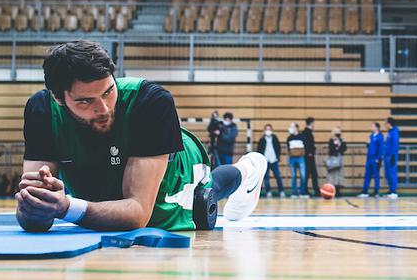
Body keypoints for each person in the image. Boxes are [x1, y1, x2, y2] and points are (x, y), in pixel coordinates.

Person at [15, 40, 265, 233]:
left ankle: (248, 170)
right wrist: (37, 205)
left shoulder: (151, 101)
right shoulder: (43, 110)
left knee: (203, 198)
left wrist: (66, 207)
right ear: (58, 99)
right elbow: (32, 219)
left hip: (174, 168)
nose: (103, 109)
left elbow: (137, 212)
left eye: (108, 92)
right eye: (85, 101)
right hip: (104, 177)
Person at [256, 123, 285, 197]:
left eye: (269, 129)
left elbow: (278, 147)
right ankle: (268, 191)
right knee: (266, 178)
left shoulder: (275, 138)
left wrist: (278, 157)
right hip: (266, 161)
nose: (268, 131)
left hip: (274, 160)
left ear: (271, 130)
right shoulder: (262, 139)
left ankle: (281, 191)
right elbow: (259, 150)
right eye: (267, 129)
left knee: (278, 176)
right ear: (265, 130)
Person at [359, 122, 384, 198]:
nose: (372, 128)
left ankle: (376, 191)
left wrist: (378, 158)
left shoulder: (380, 136)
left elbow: (380, 148)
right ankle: (365, 191)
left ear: (377, 128)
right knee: (367, 175)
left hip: (375, 159)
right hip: (369, 159)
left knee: (376, 176)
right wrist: (367, 143)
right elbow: (369, 146)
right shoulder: (371, 136)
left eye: (373, 126)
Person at [286, 122, 307, 197]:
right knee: (293, 176)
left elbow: (305, 147)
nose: (290, 128)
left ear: (296, 128)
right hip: (292, 158)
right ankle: (294, 192)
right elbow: (288, 148)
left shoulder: (302, 136)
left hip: (301, 158)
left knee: (303, 175)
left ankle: (302, 192)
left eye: (292, 127)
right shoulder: (289, 138)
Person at [302, 117, 321, 197]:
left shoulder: (307, 132)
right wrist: (310, 152)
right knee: (310, 174)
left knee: (312, 174)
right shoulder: (307, 132)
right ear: (311, 123)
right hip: (309, 157)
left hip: (309, 156)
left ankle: (315, 191)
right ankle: (307, 191)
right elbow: (307, 144)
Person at [326, 127, 348, 196]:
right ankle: (331, 190)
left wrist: (339, 144)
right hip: (333, 158)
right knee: (332, 175)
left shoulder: (341, 140)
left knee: (339, 175)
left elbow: (344, 148)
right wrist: (335, 146)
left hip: (339, 158)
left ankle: (338, 190)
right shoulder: (331, 140)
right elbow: (331, 149)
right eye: (335, 132)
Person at [383, 117, 400, 199]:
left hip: (391, 156)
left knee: (392, 173)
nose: (385, 125)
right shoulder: (389, 132)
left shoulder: (394, 132)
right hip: (387, 156)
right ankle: (390, 189)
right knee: (388, 174)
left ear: (389, 123)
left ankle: (394, 191)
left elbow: (395, 145)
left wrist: (393, 155)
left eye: (385, 123)